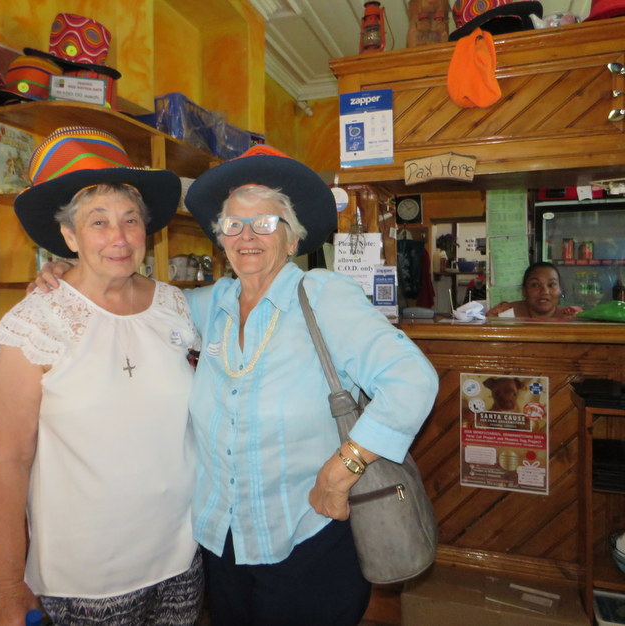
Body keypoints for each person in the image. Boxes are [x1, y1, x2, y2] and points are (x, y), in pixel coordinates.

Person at [36, 145, 439, 625]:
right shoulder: (207, 305)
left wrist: (342, 468)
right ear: (220, 239)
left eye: (265, 223)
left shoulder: (325, 298)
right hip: (221, 542)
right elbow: (133, 297)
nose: (247, 236)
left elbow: (412, 380)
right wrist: (72, 273)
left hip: (306, 536)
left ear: (292, 239)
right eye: (233, 224)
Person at [0, 127, 203, 626]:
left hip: (181, 555)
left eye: (130, 220)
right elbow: (8, 464)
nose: (119, 237)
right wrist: (6, 589)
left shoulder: (174, 305)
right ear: (69, 237)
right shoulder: (34, 324)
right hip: (84, 578)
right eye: (98, 222)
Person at [486, 261, 582, 319]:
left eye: (551, 285)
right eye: (535, 285)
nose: (545, 291)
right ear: (524, 290)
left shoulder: (571, 316)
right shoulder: (506, 314)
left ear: (560, 290)